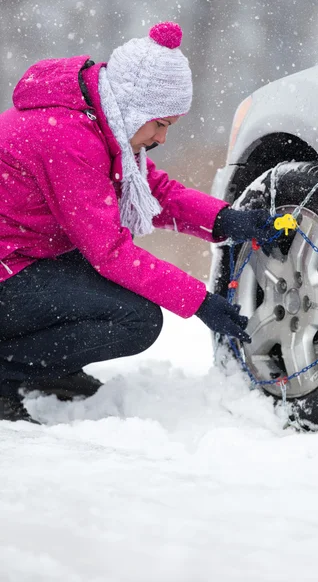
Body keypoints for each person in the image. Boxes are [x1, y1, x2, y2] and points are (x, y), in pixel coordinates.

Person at [0, 21, 273, 423]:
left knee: (124, 305)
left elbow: (155, 194)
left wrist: (226, 220)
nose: (163, 138)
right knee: (135, 320)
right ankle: (10, 372)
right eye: (160, 124)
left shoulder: (96, 122)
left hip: (24, 258)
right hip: (9, 268)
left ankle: (49, 365)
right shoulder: (69, 138)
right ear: (133, 108)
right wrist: (198, 301)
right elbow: (109, 252)